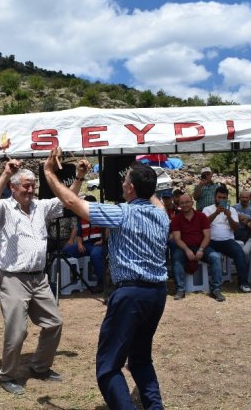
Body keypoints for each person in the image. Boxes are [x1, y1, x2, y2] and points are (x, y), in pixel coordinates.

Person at [43, 150, 169, 410]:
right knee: (140, 359)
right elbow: (152, 195)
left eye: (125, 182)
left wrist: (48, 174)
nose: (122, 184)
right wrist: (145, 176)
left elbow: (72, 202)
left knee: (108, 367)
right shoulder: (162, 215)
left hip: (130, 294)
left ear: (131, 188)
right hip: (157, 293)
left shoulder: (122, 213)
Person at [0, 158, 83, 396]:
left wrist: (79, 177)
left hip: (39, 278)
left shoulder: (41, 206)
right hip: (13, 278)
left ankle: (40, 367)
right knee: (17, 330)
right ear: (13, 187)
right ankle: (7, 376)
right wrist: (6, 173)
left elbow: (67, 201)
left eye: (32, 186)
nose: (30, 190)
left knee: (54, 323)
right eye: (25, 186)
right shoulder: (4, 208)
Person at [170, 194, 224, 301]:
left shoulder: (201, 216)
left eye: (187, 202)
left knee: (215, 257)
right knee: (176, 259)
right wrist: (187, 250)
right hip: (183, 247)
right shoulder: (176, 219)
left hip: (201, 246)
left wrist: (201, 249)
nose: (185, 205)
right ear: (179, 204)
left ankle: (216, 289)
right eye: (182, 203)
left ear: (192, 202)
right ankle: (180, 289)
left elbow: (207, 236)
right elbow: (177, 239)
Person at [203, 186, 251, 293]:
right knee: (214, 257)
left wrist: (229, 216)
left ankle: (243, 283)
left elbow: (235, 229)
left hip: (227, 241)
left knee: (240, 253)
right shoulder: (207, 209)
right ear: (215, 197)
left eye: (224, 198)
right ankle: (215, 285)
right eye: (219, 197)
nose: (221, 200)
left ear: (227, 198)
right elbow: (203, 224)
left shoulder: (232, 210)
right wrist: (216, 213)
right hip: (211, 241)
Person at [61, 195, 105, 291]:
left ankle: (101, 282)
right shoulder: (81, 216)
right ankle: (75, 276)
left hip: (98, 244)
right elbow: (79, 234)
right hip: (86, 245)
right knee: (66, 250)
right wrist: (80, 244)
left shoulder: (101, 215)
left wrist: (102, 241)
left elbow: (108, 230)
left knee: (95, 254)